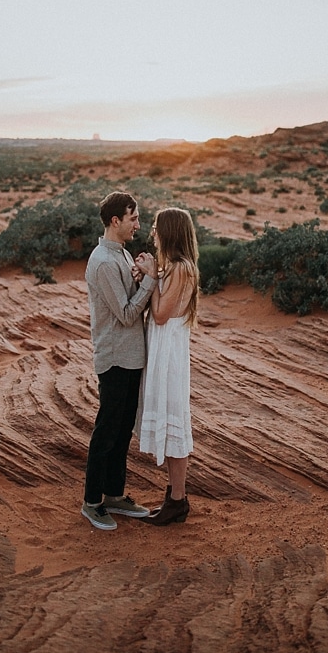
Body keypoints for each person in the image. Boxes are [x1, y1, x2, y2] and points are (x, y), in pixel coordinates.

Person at [81, 191, 156, 530]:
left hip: (131, 356)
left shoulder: (122, 255)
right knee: (107, 430)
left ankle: (113, 494)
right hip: (113, 357)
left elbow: (126, 298)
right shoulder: (103, 261)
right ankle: (92, 502)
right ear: (116, 221)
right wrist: (151, 283)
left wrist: (139, 276)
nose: (137, 225)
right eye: (133, 218)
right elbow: (126, 315)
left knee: (124, 429)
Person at [137, 207, 200, 525]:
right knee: (173, 420)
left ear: (170, 232)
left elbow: (160, 315)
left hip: (170, 354)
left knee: (175, 420)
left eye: (157, 228)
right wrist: (152, 274)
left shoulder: (180, 267)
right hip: (167, 350)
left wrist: (151, 278)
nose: (153, 232)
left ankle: (178, 501)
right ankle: (175, 498)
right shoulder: (173, 267)